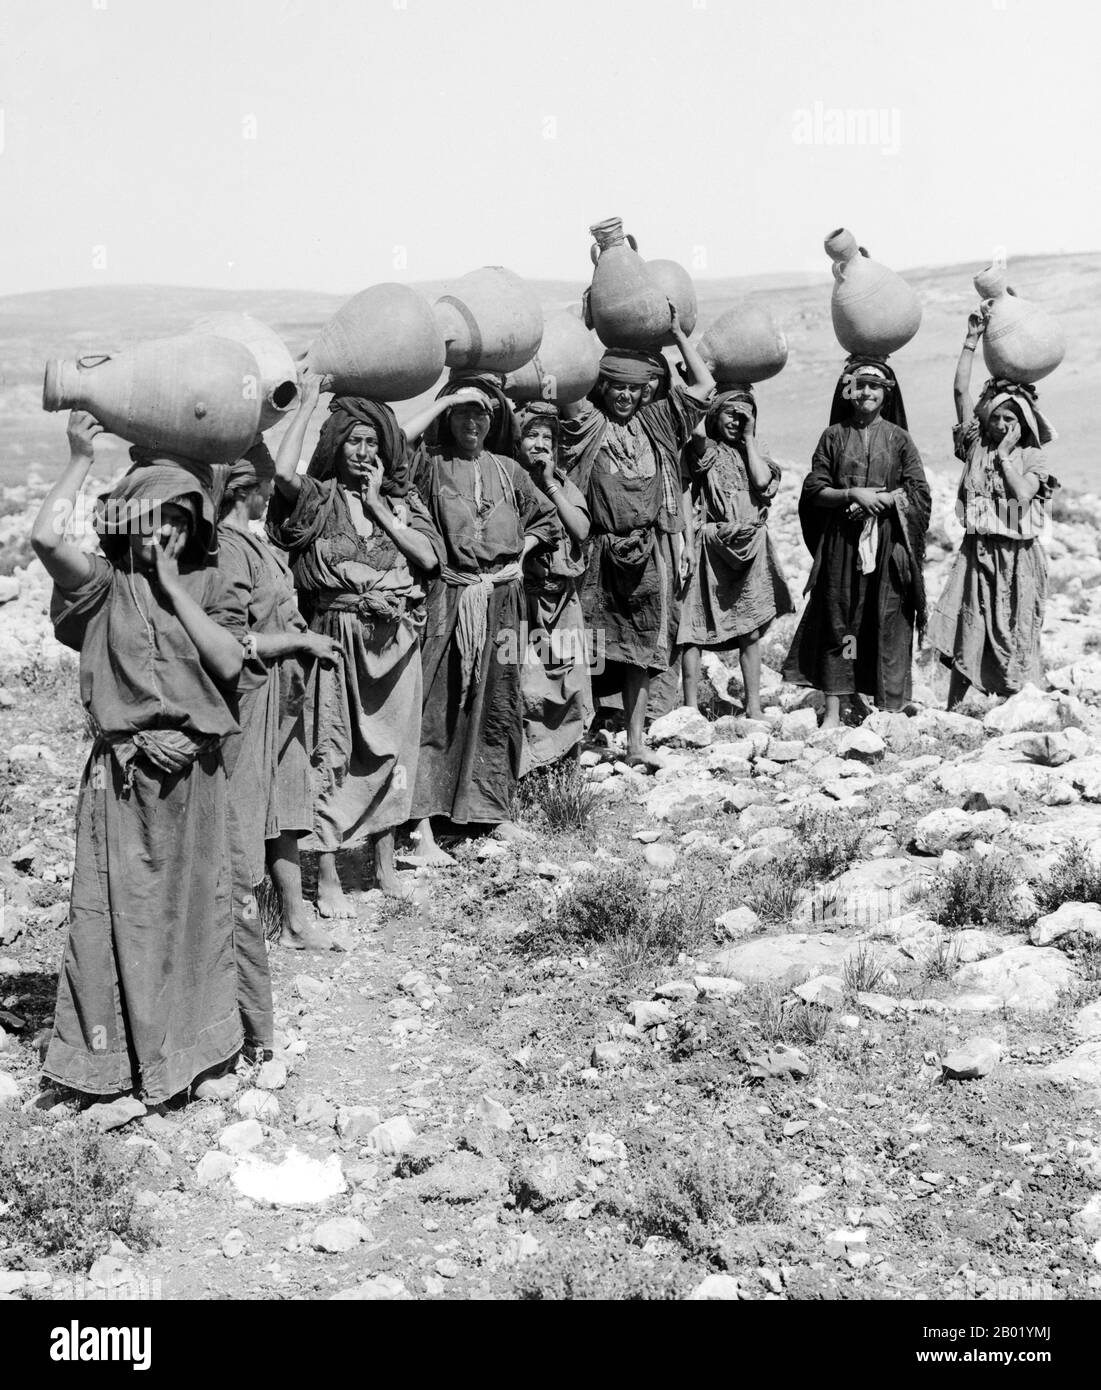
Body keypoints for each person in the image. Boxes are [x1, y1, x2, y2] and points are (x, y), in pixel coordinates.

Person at [32, 411, 247, 1106]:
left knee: (193, 915)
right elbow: (43, 537)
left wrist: (174, 585)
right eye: (156, 518)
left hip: (194, 778)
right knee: (114, 916)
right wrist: (78, 458)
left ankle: (193, 1053)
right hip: (123, 784)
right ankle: (115, 1067)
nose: (169, 532)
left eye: (182, 521)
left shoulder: (208, 587)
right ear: (128, 521)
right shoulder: (99, 589)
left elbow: (231, 664)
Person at [268, 371, 444, 910]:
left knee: (394, 750)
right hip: (337, 640)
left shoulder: (402, 502)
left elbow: (430, 559)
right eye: (353, 442)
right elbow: (280, 472)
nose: (363, 452)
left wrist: (381, 509)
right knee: (333, 747)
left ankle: (383, 860)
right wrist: (306, 406)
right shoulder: (319, 500)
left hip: (397, 644)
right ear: (336, 445)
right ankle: (325, 871)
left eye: (372, 442)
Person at [217, 440, 343, 1065]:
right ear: (248, 489)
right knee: (244, 812)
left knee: (288, 800)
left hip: (282, 692)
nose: (274, 490)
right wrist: (296, 642)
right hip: (249, 698)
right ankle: (235, 937)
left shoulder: (258, 540)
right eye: (265, 483)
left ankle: (293, 915)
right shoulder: (227, 550)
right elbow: (230, 638)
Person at [404, 388, 559, 862]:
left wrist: (521, 555)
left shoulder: (509, 471)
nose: (472, 423)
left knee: (499, 700)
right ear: (447, 419)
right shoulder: (429, 464)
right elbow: (396, 447)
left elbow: (548, 519)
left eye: (481, 415)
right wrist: (442, 401)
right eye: (462, 414)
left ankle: (491, 812)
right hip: (450, 598)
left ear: (494, 423)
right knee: (439, 703)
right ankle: (421, 826)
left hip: (504, 599)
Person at [560, 305, 714, 759]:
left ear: (646, 391)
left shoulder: (659, 422)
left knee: (643, 646)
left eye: (633, 388)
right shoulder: (588, 424)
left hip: (648, 551)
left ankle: (636, 742)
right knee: (587, 642)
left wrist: (676, 334)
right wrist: (585, 322)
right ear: (602, 387)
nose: (624, 397)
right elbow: (566, 376)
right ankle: (578, 738)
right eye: (616, 387)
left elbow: (704, 387)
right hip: (597, 552)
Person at [782, 357, 931, 728]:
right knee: (839, 618)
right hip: (841, 547)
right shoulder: (833, 437)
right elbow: (814, 489)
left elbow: (919, 493)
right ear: (847, 391)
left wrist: (883, 501)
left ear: (886, 393)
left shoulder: (899, 439)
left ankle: (888, 710)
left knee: (887, 621)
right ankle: (833, 711)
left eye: (874, 386)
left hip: (888, 545)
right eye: (859, 385)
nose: (866, 392)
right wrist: (851, 494)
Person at [928, 313, 1059, 708]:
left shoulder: (1033, 457)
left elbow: (1021, 496)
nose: (1001, 424)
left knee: (1013, 628)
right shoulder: (976, 446)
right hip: (977, 549)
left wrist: (1005, 457)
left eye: (1010, 418)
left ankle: (1017, 706)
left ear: (1024, 422)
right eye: (997, 416)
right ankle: (952, 707)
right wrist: (970, 341)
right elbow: (959, 393)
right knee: (968, 622)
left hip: (1018, 557)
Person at [679, 386, 795, 719]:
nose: (737, 420)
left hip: (752, 545)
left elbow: (761, 482)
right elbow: (696, 430)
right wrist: (701, 382)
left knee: (751, 629)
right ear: (714, 415)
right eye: (730, 413)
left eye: (744, 415)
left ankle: (753, 706)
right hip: (712, 545)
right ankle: (689, 710)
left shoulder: (759, 451)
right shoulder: (707, 451)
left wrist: (749, 437)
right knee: (694, 626)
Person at [514, 403, 593, 773]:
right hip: (523, 601)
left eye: (548, 437)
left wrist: (550, 485)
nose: (540, 444)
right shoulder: (508, 479)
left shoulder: (563, 484)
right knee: (527, 682)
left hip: (563, 600)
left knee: (573, 680)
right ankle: (529, 766)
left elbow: (580, 529)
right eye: (532, 435)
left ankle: (567, 768)